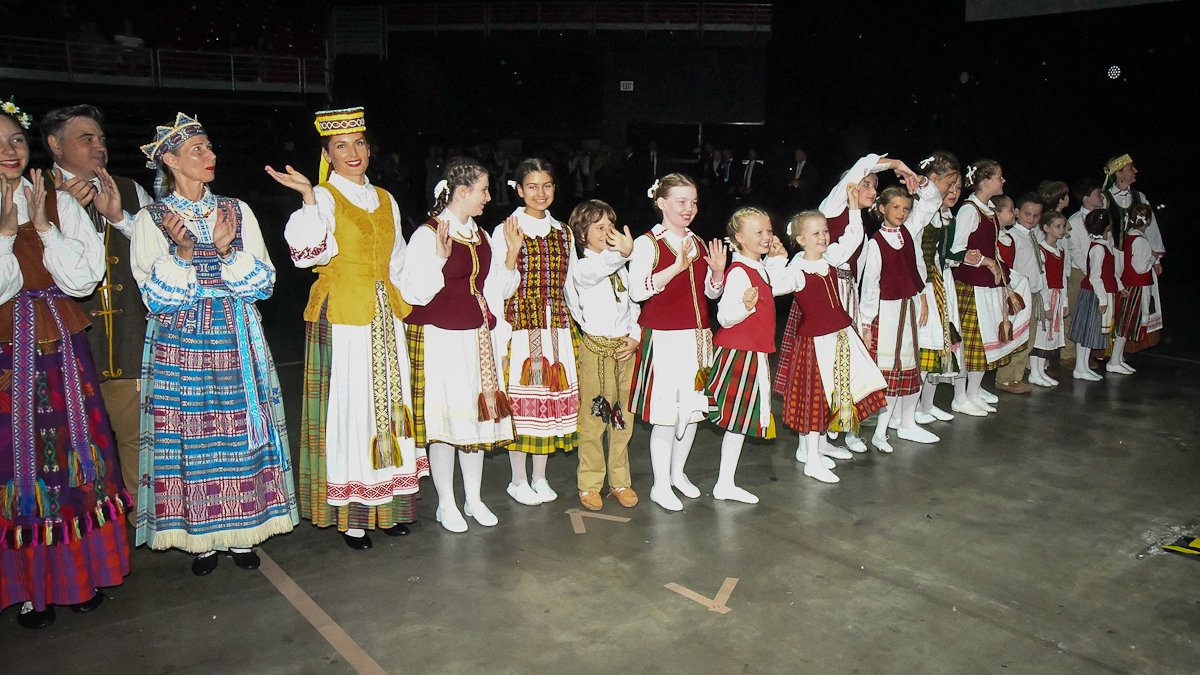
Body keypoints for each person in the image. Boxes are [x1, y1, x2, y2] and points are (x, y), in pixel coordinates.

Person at [132, 113, 297, 575]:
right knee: (192, 434)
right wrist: (185, 255)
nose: (210, 156)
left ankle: (243, 533)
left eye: (210, 147)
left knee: (239, 435)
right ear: (170, 160)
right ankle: (200, 538)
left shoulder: (236, 210)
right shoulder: (152, 219)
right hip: (182, 344)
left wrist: (225, 252)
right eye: (197, 150)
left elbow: (264, 282)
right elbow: (156, 296)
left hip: (237, 335)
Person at [267, 106, 427, 551]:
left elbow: (396, 261)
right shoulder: (322, 197)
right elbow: (309, 255)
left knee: (390, 408)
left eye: (358, 144)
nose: (352, 153)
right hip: (344, 316)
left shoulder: (385, 198)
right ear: (327, 154)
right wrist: (308, 198)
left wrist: (410, 296)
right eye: (341, 146)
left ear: (369, 149)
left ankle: (389, 505)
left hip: (383, 314)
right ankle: (354, 516)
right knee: (353, 409)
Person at [0, 99, 129, 629]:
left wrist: (42, 227)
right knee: (19, 465)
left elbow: (82, 279)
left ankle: (82, 575)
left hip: (61, 348)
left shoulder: (57, 200)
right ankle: (33, 589)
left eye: (14, 139)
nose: (9, 150)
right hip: (9, 351)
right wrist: (8, 233)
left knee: (80, 455)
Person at [41, 104, 154, 512]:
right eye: (86, 138)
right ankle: (93, 526)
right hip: (66, 346)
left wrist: (121, 216)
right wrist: (58, 211)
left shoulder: (128, 188)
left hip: (125, 339)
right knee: (77, 441)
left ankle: (142, 520)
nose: (99, 146)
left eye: (101, 138)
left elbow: (155, 254)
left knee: (136, 437)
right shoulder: (35, 196)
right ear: (55, 145)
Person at [399, 157, 520, 533]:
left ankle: (473, 498)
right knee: (445, 423)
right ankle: (446, 504)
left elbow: (495, 290)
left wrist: (512, 254)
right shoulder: (428, 233)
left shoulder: (481, 236)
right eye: (483, 190)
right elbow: (414, 293)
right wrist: (439, 258)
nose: (488, 197)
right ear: (463, 191)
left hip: (475, 338)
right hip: (440, 339)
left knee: (474, 421)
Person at [776, 153, 917, 455]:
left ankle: (831, 433)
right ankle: (814, 441)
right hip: (822, 295)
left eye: (874, 186)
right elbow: (861, 166)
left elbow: (858, 265)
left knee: (840, 368)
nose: (870, 191)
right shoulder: (830, 209)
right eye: (865, 184)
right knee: (821, 371)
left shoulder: (857, 226)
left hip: (843, 294)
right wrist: (896, 165)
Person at [627, 173, 726, 511]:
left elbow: (710, 294)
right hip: (665, 340)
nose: (689, 209)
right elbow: (637, 291)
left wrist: (716, 274)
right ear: (661, 203)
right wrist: (676, 268)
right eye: (682, 202)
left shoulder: (698, 243)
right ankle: (659, 484)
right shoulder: (647, 243)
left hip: (697, 339)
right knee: (667, 416)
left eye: (694, 202)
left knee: (693, 411)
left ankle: (678, 474)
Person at [489, 158, 579, 506]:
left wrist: (581, 322)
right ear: (519, 189)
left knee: (551, 405)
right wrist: (512, 255)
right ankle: (517, 479)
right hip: (521, 330)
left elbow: (569, 284)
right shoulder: (506, 229)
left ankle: (540, 477)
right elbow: (498, 287)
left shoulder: (563, 232)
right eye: (532, 186)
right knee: (523, 406)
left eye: (547, 186)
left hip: (556, 327)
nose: (540, 193)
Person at [778, 209, 887, 484]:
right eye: (816, 233)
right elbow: (774, 286)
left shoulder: (828, 259)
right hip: (816, 344)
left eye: (825, 231)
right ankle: (811, 459)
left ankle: (816, 449)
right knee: (815, 399)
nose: (823, 237)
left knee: (835, 393)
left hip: (839, 336)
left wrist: (853, 208)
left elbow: (853, 237)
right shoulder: (797, 270)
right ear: (801, 239)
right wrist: (774, 260)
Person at [704, 207, 790, 504]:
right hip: (739, 354)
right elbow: (725, 318)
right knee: (735, 419)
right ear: (738, 237)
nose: (767, 236)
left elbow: (774, 283)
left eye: (768, 230)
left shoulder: (757, 268)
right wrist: (746, 306)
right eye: (759, 232)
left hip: (751, 352)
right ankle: (723, 483)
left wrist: (779, 258)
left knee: (738, 421)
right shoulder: (739, 272)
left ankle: (725, 482)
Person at [566, 199, 640, 511]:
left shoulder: (620, 267)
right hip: (596, 349)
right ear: (582, 234)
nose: (607, 232)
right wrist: (623, 252)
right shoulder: (583, 267)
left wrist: (635, 336)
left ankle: (620, 481)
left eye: (610, 226)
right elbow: (596, 271)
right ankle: (589, 483)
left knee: (623, 419)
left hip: (623, 349)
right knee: (595, 418)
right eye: (599, 228)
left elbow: (634, 302)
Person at [859, 186, 942, 452]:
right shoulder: (875, 243)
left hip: (909, 308)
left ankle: (889, 429)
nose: (902, 213)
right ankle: (880, 432)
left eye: (905, 208)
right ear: (882, 208)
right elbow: (870, 285)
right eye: (895, 207)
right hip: (887, 312)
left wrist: (923, 296)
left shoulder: (908, 233)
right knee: (889, 371)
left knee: (905, 368)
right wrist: (867, 322)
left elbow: (916, 266)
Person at [945, 161, 1030, 416]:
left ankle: (973, 392)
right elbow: (957, 250)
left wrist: (1001, 270)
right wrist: (986, 262)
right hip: (970, 285)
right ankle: (960, 397)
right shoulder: (969, 211)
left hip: (986, 283)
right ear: (986, 181)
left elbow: (990, 248)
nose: (1003, 181)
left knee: (985, 340)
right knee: (970, 342)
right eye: (999, 177)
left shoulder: (988, 210)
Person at [914, 154, 963, 422]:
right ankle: (913, 407)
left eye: (957, 187)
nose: (953, 192)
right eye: (950, 185)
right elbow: (921, 252)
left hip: (943, 281)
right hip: (927, 283)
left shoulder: (946, 215)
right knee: (928, 341)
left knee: (944, 341)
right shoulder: (925, 212)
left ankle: (927, 403)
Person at [995, 192, 1045, 394]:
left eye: (1036, 215)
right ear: (1017, 212)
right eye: (1027, 214)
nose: (1031, 218)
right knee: (1015, 337)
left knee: (1028, 338)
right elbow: (1010, 267)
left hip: (1033, 292)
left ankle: (1018, 376)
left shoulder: (1032, 236)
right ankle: (1005, 378)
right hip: (1018, 294)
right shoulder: (1011, 236)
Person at [1066, 210, 1121, 381]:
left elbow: (1109, 273)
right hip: (1094, 295)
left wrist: (1120, 286)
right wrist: (1103, 299)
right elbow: (1095, 276)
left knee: (1091, 332)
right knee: (1087, 331)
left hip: (1100, 293)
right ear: (1107, 227)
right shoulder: (1098, 249)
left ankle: (1083, 366)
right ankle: (1080, 367)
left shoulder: (1104, 246)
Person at [1110, 203, 1162, 372]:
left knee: (1127, 323)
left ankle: (1117, 358)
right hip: (1136, 287)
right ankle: (1114, 361)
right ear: (1147, 221)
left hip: (1133, 285)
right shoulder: (1139, 241)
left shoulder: (1130, 237)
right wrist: (1153, 260)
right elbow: (1140, 267)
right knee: (1126, 324)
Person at [1062, 179, 1104, 369]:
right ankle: (1068, 353)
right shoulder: (1076, 221)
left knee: (1089, 314)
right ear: (1086, 198)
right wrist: (1090, 272)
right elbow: (1076, 251)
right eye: (1097, 194)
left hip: (1095, 272)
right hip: (1081, 271)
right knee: (1072, 310)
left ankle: (1084, 354)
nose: (1101, 197)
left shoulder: (1102, 218)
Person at [1029, 210, 1070, 386]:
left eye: (1063, 226)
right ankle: (1034, 372)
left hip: (1058, 295)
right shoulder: (1040, 250)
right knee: (1040, 333)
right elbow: (1042, 278)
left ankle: (1040, 370)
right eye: (1057, 226)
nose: (1061, 230)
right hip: (1046, 296)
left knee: (1048, 336)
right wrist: (1046, 304)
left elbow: (1062, 279)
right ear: (1046, 228)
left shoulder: (1060, 250)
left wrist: (1065, 301)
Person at [1103, 154, 1164, 257]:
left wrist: (1156, 255)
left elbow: (1150, 225)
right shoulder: (1104, 199)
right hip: (1112, 256)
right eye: (1131, 168)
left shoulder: (1140, 197)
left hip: (1137, 257)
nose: (1135, 171)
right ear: (1118, 173)